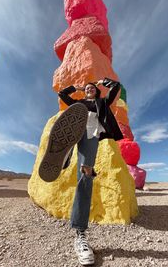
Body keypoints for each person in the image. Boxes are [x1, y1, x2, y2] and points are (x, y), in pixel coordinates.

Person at [58, 77, 123, 266]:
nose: (89, 89)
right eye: (86, 88)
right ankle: (62, 156)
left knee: (86, 174)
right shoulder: (78, 103)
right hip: (73, 132)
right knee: (65, 154)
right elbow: (62, 94)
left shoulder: (102, 102)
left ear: (96, 91)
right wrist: (75, 87)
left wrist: (103, 81)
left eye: (92, 88)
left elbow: (116, 87)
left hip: (90, 137)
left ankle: (80, 233)